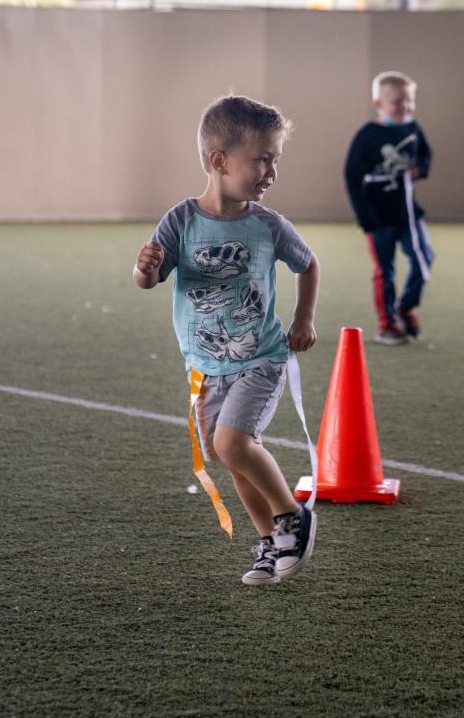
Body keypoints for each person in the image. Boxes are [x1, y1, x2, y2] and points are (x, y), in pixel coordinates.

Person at [133, 94, 320, 586]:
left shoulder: (268, 226)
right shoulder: (180, 222)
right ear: (219, 161)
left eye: (275, 159)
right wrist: (144, 269)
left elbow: (309, 264)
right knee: (229, 457)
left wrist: (304, 319)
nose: (271, 171)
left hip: (260, 358)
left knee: (233, 443)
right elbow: (150, 280)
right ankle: (269, 542)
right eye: (262, 159)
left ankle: (292, 518)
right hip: (205, 365)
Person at [344, 71, 434, 344]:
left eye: (409, 101)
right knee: (386, 270)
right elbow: (352, 176)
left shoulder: (413, 128)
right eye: (397, 102)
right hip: (378, 217)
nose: (404, 107)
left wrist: (421, 169)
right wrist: (365, 218)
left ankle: (405, 307)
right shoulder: (368, 135)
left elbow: (425, 156)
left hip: (408, 213)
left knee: (424, 258)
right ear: (379, 103)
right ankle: (386, 324)